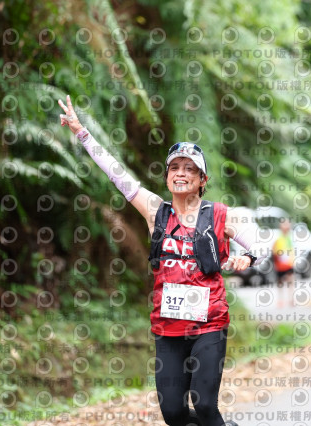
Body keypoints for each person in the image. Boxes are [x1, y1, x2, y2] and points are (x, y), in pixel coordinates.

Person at [58, 95, 269, 426]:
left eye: (190, 169)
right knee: (173, 414)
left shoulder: (220, 215)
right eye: (174, 168)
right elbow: (117, 174)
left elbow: (262, 247)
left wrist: (247, 257)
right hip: (168, 327)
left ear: (203, 180)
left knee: (205, 405)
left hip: (209, 324)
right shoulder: (156, 211)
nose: (181, 173)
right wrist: (82, 133)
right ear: (167, 176)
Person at [272, 217, 294, 307]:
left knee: (290, 280)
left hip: (289, 263)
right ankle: (280, 300)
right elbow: (273, 249)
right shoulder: (277, 237)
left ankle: (291, 299)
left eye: (288, 224)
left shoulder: (291, 237)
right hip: (280, 264)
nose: (286, 226)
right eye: (284, 224)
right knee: (280, 282)